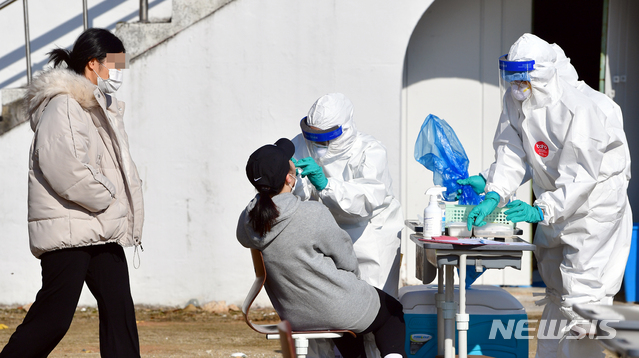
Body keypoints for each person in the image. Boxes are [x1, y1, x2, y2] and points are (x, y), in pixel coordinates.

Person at [459, 33, 631, 358]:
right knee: (555, 291)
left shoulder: (580, 108)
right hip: (554, 204)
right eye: (512, 77)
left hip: (594, 212)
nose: (516, 85)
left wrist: (543, 209)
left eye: (523, 77)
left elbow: (581, 174)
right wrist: (495, 192)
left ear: (540, 75)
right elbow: (511, 149)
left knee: (582, 303)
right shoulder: (517, 99)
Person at [0, 28, 144, 358]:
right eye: (115, 65)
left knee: (119, 313)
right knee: (53, 319)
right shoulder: (64, 105)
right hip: (70, 229)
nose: (119, 73)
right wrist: (109, 197)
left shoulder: (93, 105)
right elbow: (62, 166)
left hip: (99, 229)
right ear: (93, 64)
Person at [236, 138, 407, 358]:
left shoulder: (247, 222)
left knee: (346, 324)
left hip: (294, 315)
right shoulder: (311, 213)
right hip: (336, 308)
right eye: (291, 162)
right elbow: (346, 260)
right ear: (290, 178)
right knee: (392, 312)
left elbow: (257, 216)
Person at [291, 93, 404, 298]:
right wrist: (296, 179)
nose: (318, 144)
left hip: (369, 234)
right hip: (328, 235)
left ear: (344, 129)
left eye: (324, 137)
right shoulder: (300, 144)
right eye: (312, 136)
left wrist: (326, 186)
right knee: (336, 301)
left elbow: (368, 199)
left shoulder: (370, 150)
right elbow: (297, 195)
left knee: (376, 300)